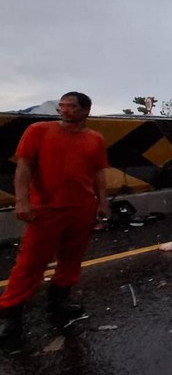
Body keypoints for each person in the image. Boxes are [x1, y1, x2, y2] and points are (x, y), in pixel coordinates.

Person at [0, 92, 109, 344]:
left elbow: (98, 172)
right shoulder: (38, 130)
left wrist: (102, 201)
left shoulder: (95, 139)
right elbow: (24, 166)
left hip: (82, 207)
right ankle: (10, 313)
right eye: (62, 106)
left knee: (72, 258)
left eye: (71, 107)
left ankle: (59, 300)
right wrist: (22, 200)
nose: (64, 110)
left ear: (86, 111)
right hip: (47, 208)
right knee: (31, 261)